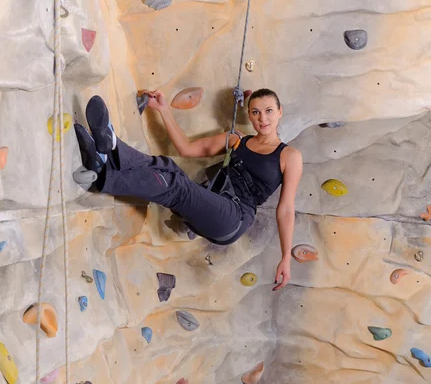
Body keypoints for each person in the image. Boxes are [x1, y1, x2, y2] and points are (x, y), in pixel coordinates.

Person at [73, 89, 303, 290]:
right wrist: (163, 109)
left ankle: (103, 177)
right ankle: (109, 149)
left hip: (234, 219)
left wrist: (285, 257)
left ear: (280, 112)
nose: (262, 118)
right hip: (212, 203)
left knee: (177, 186)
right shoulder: (236, 140)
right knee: (170, 168)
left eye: (269, 111)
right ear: (250, 115)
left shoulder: (289, 156)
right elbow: (186, 148)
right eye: (255, 112)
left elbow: (285, 210)